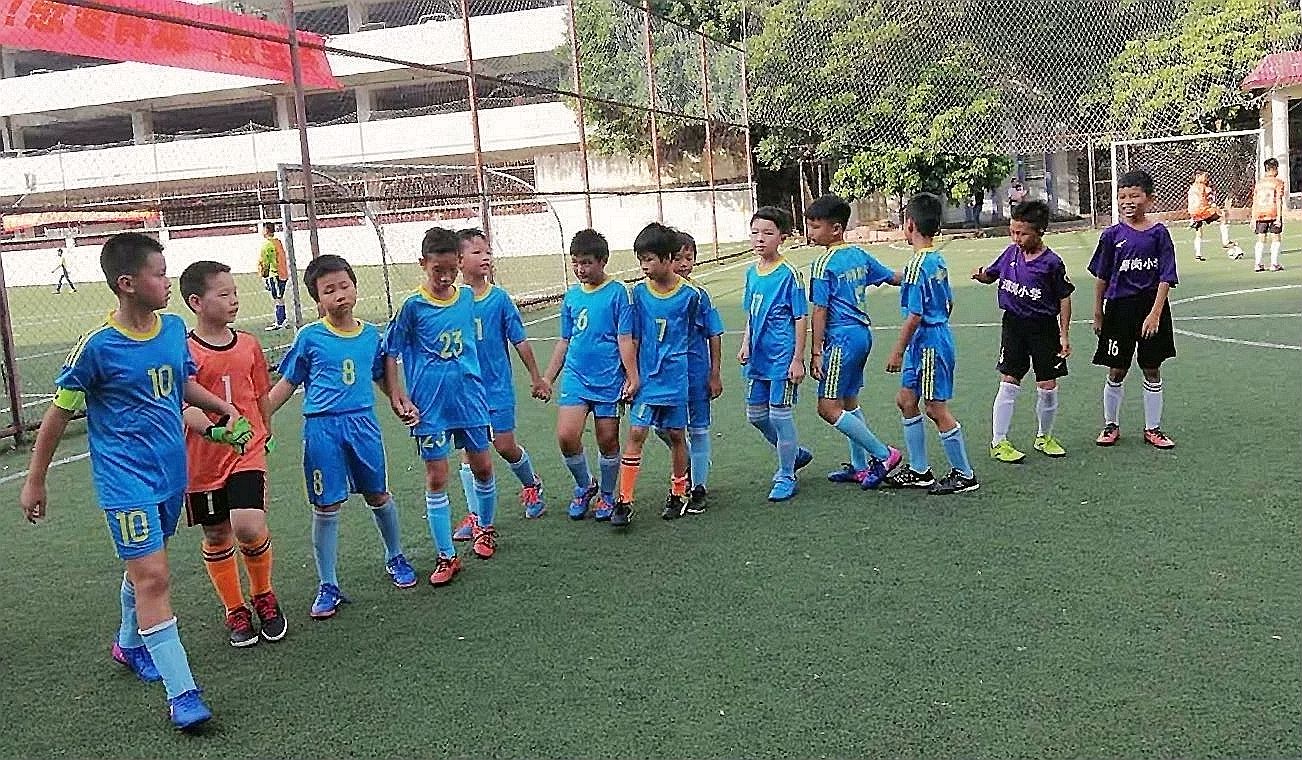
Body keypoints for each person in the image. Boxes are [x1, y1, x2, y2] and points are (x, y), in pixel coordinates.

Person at [19, 232, 250, 730]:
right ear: (127, 283)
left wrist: (222, 407)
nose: (167, 282)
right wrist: (36, 480)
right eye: (159, 274)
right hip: (125, 482)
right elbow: (58, 415)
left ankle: (128, 644)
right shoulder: (97, 348)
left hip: (170, 476)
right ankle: (183, 695)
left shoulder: (172, 330)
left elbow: (180, 383)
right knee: (154, 577)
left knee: (144, 568)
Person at [266, 254, 419, 619]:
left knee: (378, 493)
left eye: (344, 286)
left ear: (355, 287)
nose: (339, 295)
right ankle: (328, 584)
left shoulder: (370, 336)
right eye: (329, 290)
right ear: (318, 299)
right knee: (326, 505)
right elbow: (287, 383)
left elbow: (381, 377)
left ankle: (395, 556)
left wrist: (400, 402)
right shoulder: (310, 337)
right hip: (322, 429)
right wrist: (261, 418)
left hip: (363, 425)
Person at [178, 260, 287, 648]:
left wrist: (265, 431)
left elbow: (260, 394)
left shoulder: (249, 345)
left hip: (246, 451)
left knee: (248, 525)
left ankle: (263, 595)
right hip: (204, 458)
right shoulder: (184, 350)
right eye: (223, 294)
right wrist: (213, 430)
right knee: (216, 532)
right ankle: (235, 608)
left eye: (235, 292)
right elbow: (184, 405)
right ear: (196, 302)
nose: (234, 300)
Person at [384, 227, 499, 580]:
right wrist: (398, 395)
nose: (446, 276)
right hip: (430, 408)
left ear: (460, 263)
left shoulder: (466, 298)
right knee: (437, 477)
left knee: (482, 467)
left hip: (469, 400)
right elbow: (390, 351)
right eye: (438, 270)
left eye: (452, 269)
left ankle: (484, 528)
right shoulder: (412, 307)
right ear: (423, 264)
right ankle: (446, 556)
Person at [449, 229, 551, 541]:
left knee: (504, 446)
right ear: (459, 261)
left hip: (497, 389)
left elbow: (519, 340)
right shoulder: (453, 302)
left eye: (487, 252)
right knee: (470, 454)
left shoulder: (499, 299)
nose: (485, 257)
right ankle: (477, 516)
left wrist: (536, 377)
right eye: (477, 252)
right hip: (466, 393)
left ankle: (532, 485)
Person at [803, 194, 902, 490]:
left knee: (827, 407)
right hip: (862, 336)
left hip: (841, 339)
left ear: (836, 229)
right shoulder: (858, 254)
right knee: (848, 401)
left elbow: (820, 310)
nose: (810, 232)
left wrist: (816, 351)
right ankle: (859, 467)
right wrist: (923, 276)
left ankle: (883, 455)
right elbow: (892, 277)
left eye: (815, 226)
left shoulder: (823, 264)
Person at [883, 193, 979, 495]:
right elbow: (948, 301)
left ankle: (965, 475)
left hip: (928, 344)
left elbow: (914, 315)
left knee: (936, 408)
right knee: (906, 400)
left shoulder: (917, 266)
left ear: (909, 224)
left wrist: (897, 351)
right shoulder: (936, 259)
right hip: (930, 339)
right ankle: (919, 471)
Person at [542, 229, 637, 522]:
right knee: (566, 436)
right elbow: (565, 340)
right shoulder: (571, 296)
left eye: (586, 262)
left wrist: (632, 376)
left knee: (607, 440)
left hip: (609, 379)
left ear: (603, 261)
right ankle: (585, 485)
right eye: (576, 263)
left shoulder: (618, 293)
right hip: (576, 377)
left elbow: (625, 339)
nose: (580, 269)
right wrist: (548, 378)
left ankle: (607, 494)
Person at [615, 222, 706, 525]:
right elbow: (634, 336)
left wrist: (708, 373)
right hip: (648, 379)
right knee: (636, 432)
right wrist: (632, 375)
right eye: (641, 260)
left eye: (649, 260)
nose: (644, 266)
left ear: (668, 259)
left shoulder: (691, 295)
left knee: (676, 434)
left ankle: (678, 492)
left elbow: (696, 335)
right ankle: (624, 500)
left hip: (676, 378)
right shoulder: (638, 293)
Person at [970, 200, 1074, 462]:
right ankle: (999, 441)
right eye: (1013, 231)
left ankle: (1044, 437)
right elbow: (991, 275)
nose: (1016, 238)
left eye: (1022, 233)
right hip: (1014, 325)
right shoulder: (1010, 253)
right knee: (1009, 380)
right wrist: (981, 276)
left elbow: (1064, 297)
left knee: (1047, 385)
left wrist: (1064, 334)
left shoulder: (1052, 263)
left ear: (1040, 232)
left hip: (1044, 328)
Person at [1089, 170, 1179, 449]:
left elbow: (1166, 277)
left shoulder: (1159, 233)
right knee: (1117, 368)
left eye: (1134, 196)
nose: (1127, 201)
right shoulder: (1111, 235)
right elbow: (1102, 277)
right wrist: (1098, 313)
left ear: (1149, 199)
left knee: (1152, 368)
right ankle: (1111, 424)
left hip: (1151, 307)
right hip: (1119, 309)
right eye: (1122, 196)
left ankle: (1153, 428)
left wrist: (1155, 313)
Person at [740, 206, 814, 503]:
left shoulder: (789, 274)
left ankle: (786, 474)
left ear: (782, 237)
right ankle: (794, 453)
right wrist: (746, 343)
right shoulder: (751, 272)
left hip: (782, 356)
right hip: (758, 356)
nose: (760, 238)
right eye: (755, 232)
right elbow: (751, 313)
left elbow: (800, 317)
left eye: (768, 233)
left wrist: (798, 359)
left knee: (780, 416)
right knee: (756, 416)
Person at [653, 231, 723, 513]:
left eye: (689, 257)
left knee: (698, 428)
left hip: (695, 371)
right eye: (677, 258)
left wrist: (714, 373)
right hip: (664, 374)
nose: (683, 264)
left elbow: (714, 333)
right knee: (662, 427)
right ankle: (691, 462)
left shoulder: (698, 295)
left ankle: (698, 488)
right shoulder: (650, 292)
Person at [1187, 172, 1231, 261]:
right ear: (1198, 177)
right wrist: (1215, 207)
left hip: (1193, 212)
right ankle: (1225, 241)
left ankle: (1198, 255)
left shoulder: (1191, 188)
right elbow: (1210, 199)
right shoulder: (1203, 187)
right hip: (1203, 210)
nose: (1206, 179)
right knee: (1222, 217)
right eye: (1204, 176)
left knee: (1199, 232)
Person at [1251, 158, 1286, 272]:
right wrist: (1279, 217)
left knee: (1261, 238)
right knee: (1276, 237)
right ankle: (1274, 264)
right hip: (1273, 212)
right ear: (1274, 169)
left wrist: (1253, 218)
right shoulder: (1278, 182)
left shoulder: (1259, 183)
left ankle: (1258, 263)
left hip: (1260, 213)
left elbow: (1255, 200)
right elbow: (1278, 200)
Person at [258, 222, 291, 329]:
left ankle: (280, 321)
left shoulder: (267, 244)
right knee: (279, 297)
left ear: (266, 231)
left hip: (274, 274)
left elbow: (265, 262)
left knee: (278, 297)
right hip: (282, 273)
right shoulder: (278, 242)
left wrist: (263, 275)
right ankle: (282, 320)